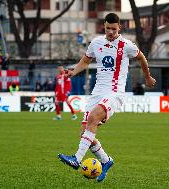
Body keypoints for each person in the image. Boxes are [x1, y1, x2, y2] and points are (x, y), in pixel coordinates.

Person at [57, 13, 156, 182]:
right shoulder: (96, 43)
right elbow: (85, 61)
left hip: (114, 93)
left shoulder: (126, 45)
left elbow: (142, 58)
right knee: (84, 132)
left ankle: (76, 159)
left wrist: (147, 77)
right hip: (97, 93)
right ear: (104, 26)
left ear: (119, 28)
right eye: (108, 28)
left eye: (114, 28)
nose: (110, 31)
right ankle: (106, 160)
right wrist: (74, 71)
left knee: (94, 118)